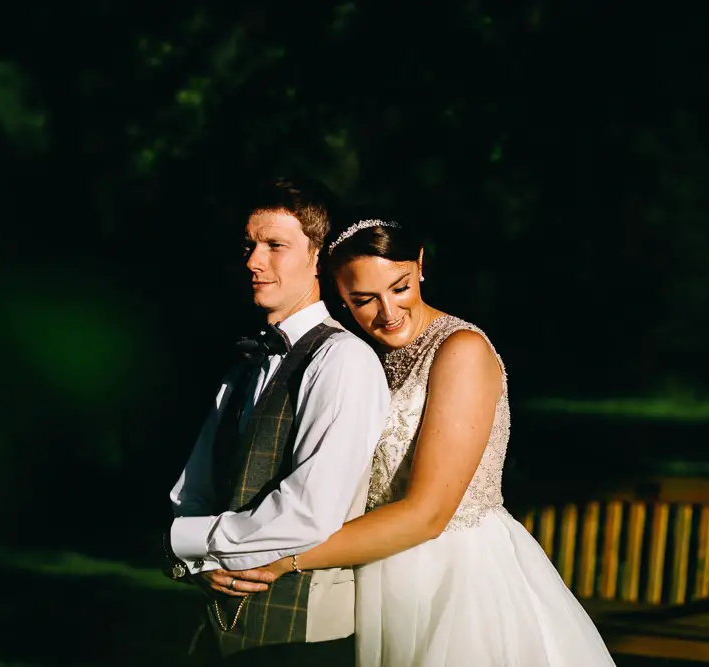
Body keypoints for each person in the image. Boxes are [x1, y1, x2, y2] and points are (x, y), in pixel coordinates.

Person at [232, 218, 617, 666]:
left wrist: (289, 557)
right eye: (363, 300)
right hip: (377, 569)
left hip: (454, 577)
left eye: (400, 287)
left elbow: (429, 514)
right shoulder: (360, 359)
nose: (388, 312)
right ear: (339, 296)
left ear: (419, 265)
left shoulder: (461, 350)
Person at [162, 179, 390, 665]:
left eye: (275, 246)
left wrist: (188, 543)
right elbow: (193, 489)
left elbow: (310, 511)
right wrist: (199, 561)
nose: (252, 261)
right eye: (249, 245)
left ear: (318, 256)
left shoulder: (343, 360)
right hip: (221, 628)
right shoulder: (244, 364)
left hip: (303, 635)